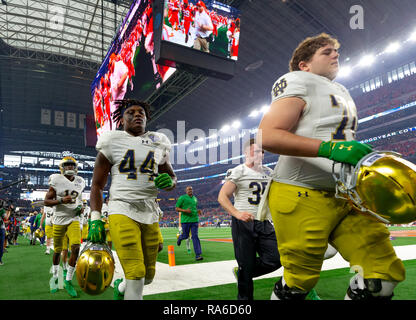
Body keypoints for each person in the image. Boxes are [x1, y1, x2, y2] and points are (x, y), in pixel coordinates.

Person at [257, 33, 405, 300]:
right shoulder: (297, 80)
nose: (335, 54)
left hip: (345, 193)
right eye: (326, 52)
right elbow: (267, 135)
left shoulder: (342, 90)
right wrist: (330, 148)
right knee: (298, 284)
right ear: (304, 64)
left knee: (382, 274)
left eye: (336, 51)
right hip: (301, 191)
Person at [88, 99, 177, 300]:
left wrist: (169, 182)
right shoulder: (112, 140)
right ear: (121, 119)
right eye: (131, 112)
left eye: (141, 112)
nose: (138, 115)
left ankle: (121, 289)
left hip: (149, 210)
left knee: (147, 277)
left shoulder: (158, 141)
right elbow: (96, 185)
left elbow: (172, 177)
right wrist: (95, 218)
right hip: (122, 207)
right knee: (136, 273)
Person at [218, 138, 281, 300]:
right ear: (246, 153)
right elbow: (222, 196)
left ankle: (243, 272)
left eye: (260, 151)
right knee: (246, 265)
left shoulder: (269, 172)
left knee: (276, 258)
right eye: (253, 151)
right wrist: (237, 213)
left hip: (265, 222)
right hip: (244, 223)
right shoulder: (239, 171)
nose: (257, 154)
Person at [44, 156, 85, 297]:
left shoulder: (81, 181)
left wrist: (81, 207)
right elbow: (46, 201)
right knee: (57, 250)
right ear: (62, 167)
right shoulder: (56, 180)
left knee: (76, 247)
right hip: (59, 219)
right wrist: (61, 200)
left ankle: (68, 280)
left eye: (72, 165)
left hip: (73, 218)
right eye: (67, 165)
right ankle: (55, 276)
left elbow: (79, 199)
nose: (69, 168)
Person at [175, 186, 203, 261]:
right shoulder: (182, 198)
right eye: (188, 189)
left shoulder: (195, 198)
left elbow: (194, 208)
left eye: (191, 189)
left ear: (192, 190)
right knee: (185, 235)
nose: (190, 190)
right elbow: (176, 208)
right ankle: (180, 238)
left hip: (194, 220)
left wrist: (198, 211)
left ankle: (198, 255)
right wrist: (185, 211)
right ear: (186, 191)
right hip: (185, 221)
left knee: (195, 236)